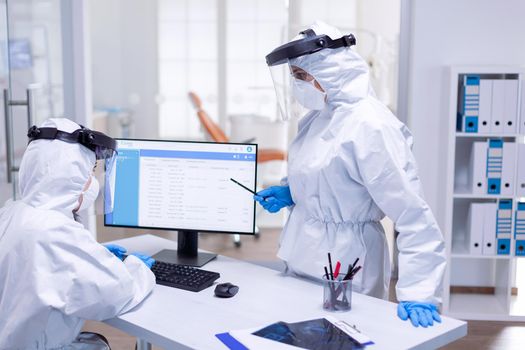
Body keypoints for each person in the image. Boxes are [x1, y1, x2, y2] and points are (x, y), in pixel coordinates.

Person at [255, 21, 446, 328]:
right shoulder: (318, 117)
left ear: (332, 71)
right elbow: (329, 177)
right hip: (301, 255)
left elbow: (413, 216)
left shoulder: (372, 126)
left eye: (302, 75)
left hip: (347, 267)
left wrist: (419, 291)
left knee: (345, 337)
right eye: (293, 76)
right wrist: (295, 194)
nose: (297, 84)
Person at [0, 118, 156, 348]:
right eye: (90, 170)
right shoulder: (55, 231)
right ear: (70, 175)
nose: (92, 181)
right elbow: (119, 293)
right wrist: (136, 267)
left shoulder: (11, 212)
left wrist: (93, 256)